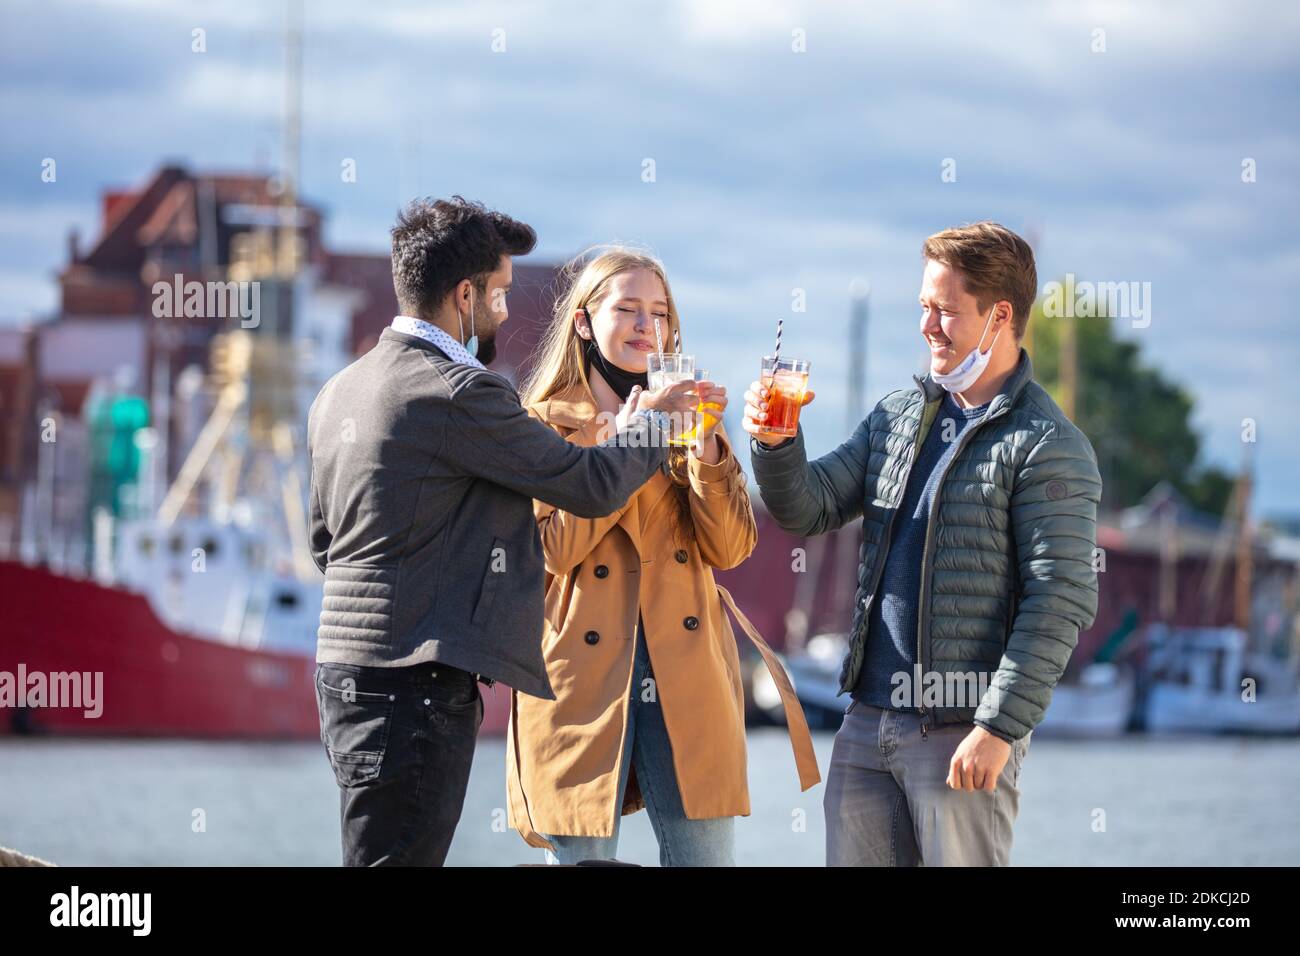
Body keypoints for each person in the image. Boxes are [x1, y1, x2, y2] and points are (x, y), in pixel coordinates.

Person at [307, 199, 676, 866]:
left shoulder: (340, 390)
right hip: (418, 687)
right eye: (501, 294)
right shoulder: (461, 392)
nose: (506, 311)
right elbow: (587, 485)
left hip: (343, 678)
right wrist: (657, 424)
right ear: (464, 294)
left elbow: (325, 544)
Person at [743, 222, 1102, 866]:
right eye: (923, 308)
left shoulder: (1049, 445)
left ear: (999, 317)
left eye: (945, 311)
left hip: (962, 731)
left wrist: (999, 728)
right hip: (864, 721)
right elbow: (808, 507)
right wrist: (774, 442)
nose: (928, 326)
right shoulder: (897, 415)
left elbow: (1060, 598)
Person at [506, 247, 820, 866]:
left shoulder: (688, 417)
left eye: (660, 312)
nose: (648, 326)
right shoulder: (542, 424)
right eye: (627, 309)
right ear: (583, 322)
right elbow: (553, 550)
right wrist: (627, 443)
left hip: (690, 678)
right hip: (580, 688)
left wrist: (704, 446)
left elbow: (730, 547)